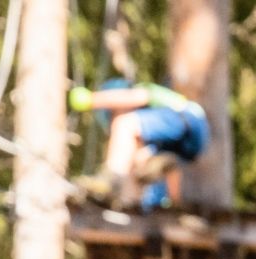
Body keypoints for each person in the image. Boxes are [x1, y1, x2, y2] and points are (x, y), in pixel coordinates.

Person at [69, 80, 210, 207]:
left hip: (188, 119)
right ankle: (160, 201)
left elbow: (132, 97)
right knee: (146, 162)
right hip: (188, 146)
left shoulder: (145, 94)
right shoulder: (153, 130)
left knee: (125, 124)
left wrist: (90, 99)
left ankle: (110, 180)